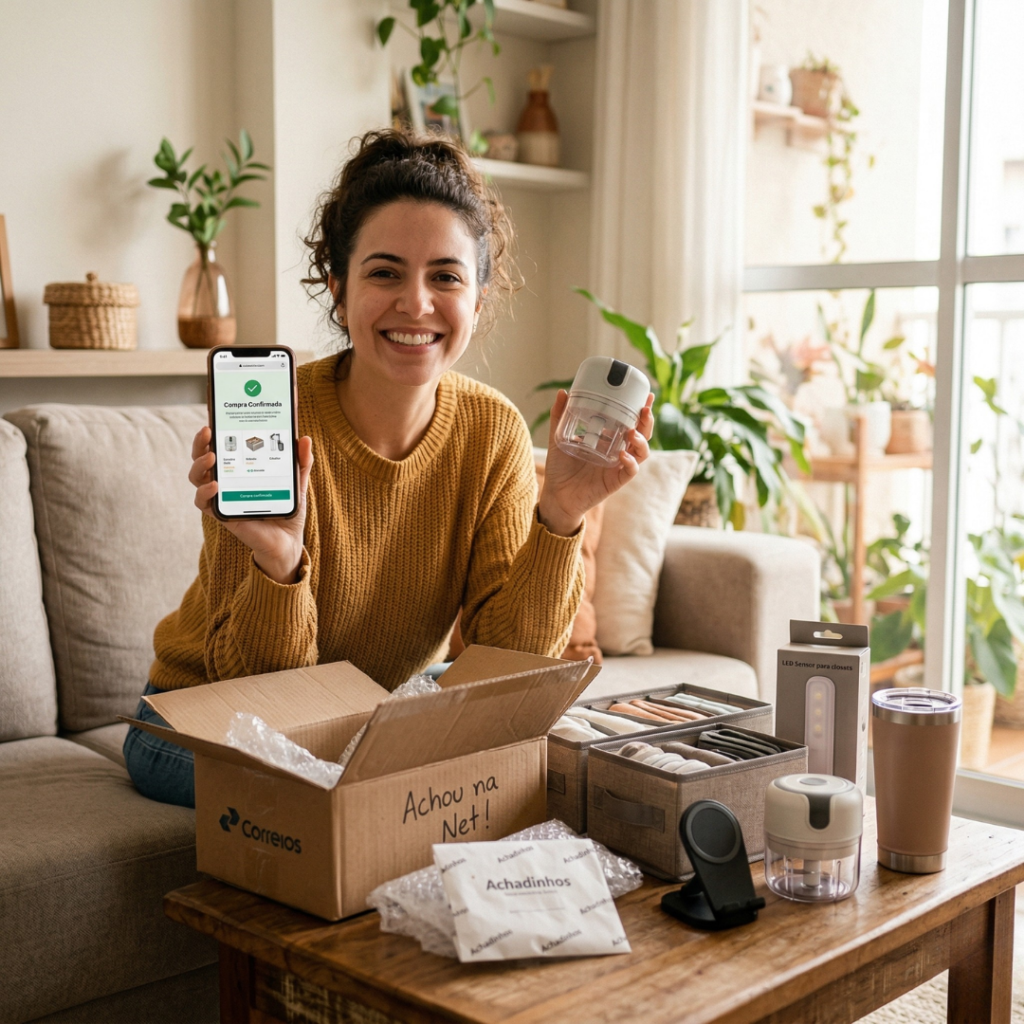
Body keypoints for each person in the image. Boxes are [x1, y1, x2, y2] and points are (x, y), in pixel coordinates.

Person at [123, 128, 653, 807]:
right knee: (349, 789)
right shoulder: (275, 424)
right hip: (200, 715)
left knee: (484, 755)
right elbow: (258, 692)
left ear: (479, 300)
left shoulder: (491, 431)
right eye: (384, 272)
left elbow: (500, 668)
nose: (416, 303)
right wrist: (280, 564)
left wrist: (561, 515)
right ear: (338, 290)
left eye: (446, 277)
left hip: (358, 711)